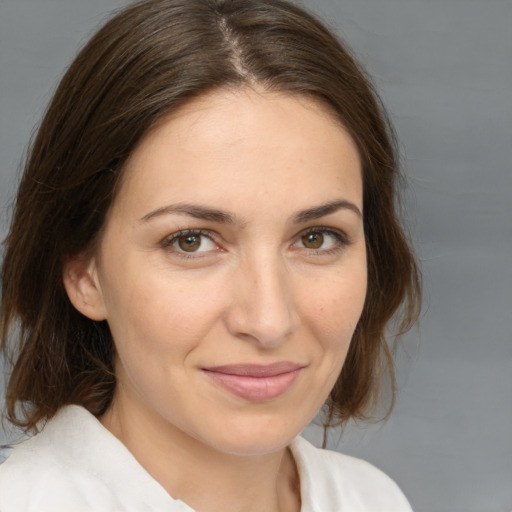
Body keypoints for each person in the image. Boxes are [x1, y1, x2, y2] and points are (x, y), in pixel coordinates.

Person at [0, 0, 421, 510]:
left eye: (316, 238)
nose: (269, 321)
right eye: (192, 241)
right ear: (84, 272)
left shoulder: (372, 500)